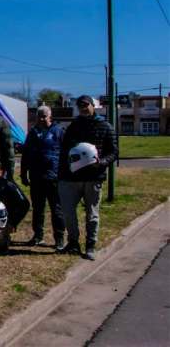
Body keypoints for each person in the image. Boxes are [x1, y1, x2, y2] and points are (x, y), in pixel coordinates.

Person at [57, 95, 118, 260]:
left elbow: (113, 152)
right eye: (80, 106)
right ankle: (73, 242)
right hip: (71, 177)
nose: (83, 108)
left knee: (92, 213)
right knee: (68, 213)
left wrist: (102, 162)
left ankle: (90, 245)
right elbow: (64, 151)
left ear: (93, 106)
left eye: (86, 105)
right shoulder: (73, 126)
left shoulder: (105, 126)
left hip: (94, 177)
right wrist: (62, 173)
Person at [20, 106, 65, 249]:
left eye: (44, 115)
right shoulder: (33, 133)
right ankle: (38, 236)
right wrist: (23, 174)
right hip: (36, 177)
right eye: (39, 116)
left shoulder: (58, 132)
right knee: (38, 209)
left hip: (54, 177)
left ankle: (59, 238)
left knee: (56, 209)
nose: (42, 118)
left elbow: (65, 154)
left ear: (50, 116)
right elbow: (25, 155)